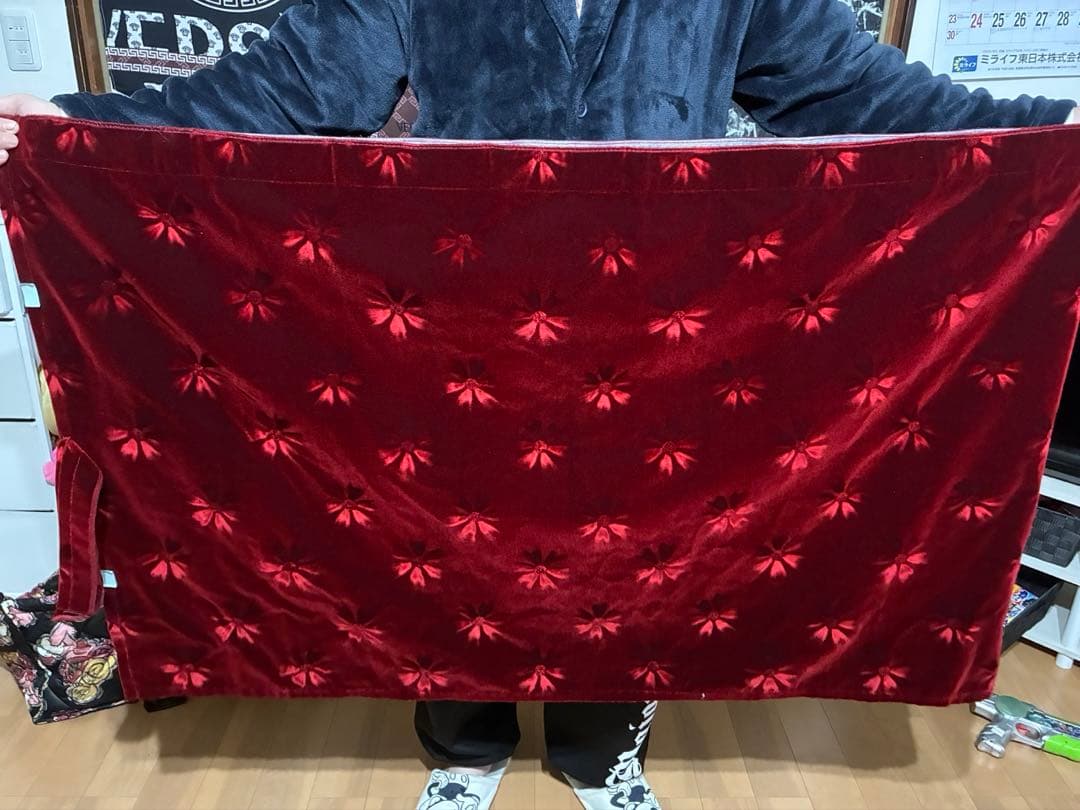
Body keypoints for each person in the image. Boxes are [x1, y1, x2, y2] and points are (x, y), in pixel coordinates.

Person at [0, 2, 1075, 809]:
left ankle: (599, 752)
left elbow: (862, 92)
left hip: (659, 325)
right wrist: (72, 126)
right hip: (461, 318)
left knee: (634, 552)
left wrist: (1055, 128)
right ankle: (464, 747)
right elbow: (293, 87)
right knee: (448, 541)